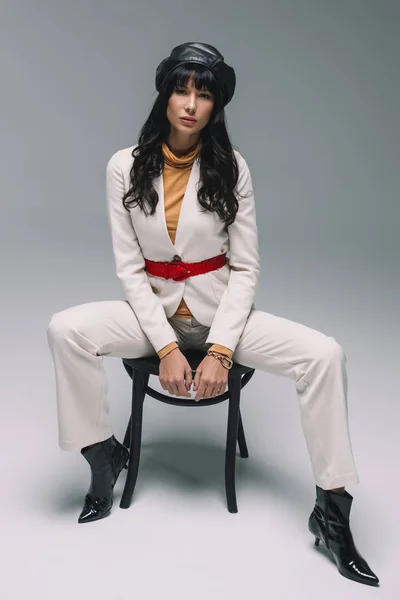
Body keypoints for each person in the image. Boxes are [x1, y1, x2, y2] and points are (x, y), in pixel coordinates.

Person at [46, 42, 379, 586]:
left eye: (204, 94)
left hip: (222, 314)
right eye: (182, 89)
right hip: (152, 314)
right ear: (165, 94)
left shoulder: (232, 167)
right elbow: (130, 271)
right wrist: (170, 348)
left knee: (325, 355)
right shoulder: (122, 167)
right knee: (66, 329)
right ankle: (103, 455)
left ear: (216, 105)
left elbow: (246, 270)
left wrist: (221, 349)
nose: (191, 104)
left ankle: (333, 512)